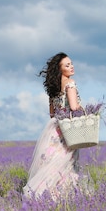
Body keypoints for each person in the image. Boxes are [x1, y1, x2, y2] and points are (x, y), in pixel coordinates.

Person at [23, 52, 90, 199]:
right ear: (60, 69)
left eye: (71, 63)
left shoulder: (53, 88)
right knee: (66, 164)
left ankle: (42, 194)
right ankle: (61, 197)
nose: (71, 67)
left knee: (52, 162)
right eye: (67, 65)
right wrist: (85, 110)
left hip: (54, 129)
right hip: (68, 131)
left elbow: (52, 113)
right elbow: (73, 107)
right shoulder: (70, 84)